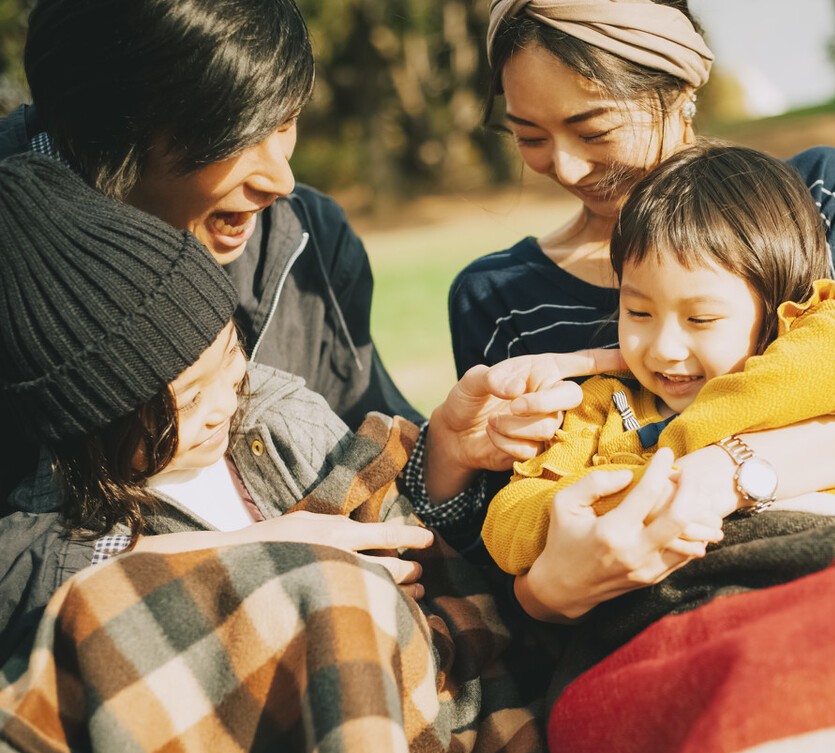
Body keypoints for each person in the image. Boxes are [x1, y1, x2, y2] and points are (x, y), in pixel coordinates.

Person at [0, 154, 564, 753]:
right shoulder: (67, 532)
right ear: (89, 429)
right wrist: (275, 562)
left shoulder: (277, 419)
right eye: (185, 402)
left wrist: (443, 471)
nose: (221, 404)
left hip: (413, 708)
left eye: (229, 359)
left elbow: (413, 541)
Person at [0, 0, 605, 555]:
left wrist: (445, 452)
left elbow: (371, 487)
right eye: (236, 136)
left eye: (285, 123)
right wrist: (225, 555)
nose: (280, 181)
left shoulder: (307, 237)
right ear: (103, 133)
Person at [449, 0, 835, 619]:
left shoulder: (808, 200)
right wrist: (550, 587)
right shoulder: (496, 295)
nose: (566, 165)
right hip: (642, 621)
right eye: (529, 136)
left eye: (594, 131)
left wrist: (721, 471)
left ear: (683, 91)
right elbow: (501, 539)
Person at [482, 142, 835, 575]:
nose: (664, 347)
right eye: (638, 313)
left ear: (777, 307)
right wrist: (650, 490)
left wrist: (681, 452)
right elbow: (506, 523)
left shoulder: (799, 362)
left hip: (829, 565)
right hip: (687, 597)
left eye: (700, 319)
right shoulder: (599, 406)